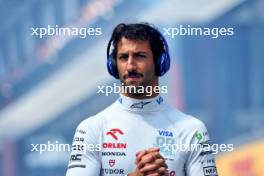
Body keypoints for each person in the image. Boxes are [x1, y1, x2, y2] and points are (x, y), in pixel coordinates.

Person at [65, 23, 218, 176]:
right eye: (124, 57)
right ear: (113, 65)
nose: (130, 66)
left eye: (140, 56)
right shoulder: (92, 129)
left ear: (159, 63)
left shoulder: (192, 130)